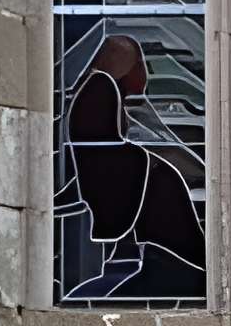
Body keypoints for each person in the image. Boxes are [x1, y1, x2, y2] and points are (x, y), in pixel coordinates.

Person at [58, 34, 208, 300]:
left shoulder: (104, 88)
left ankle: (190, 262)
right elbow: (101, 151)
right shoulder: (101, 88)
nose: (144, 71)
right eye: (139, 63)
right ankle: (188, 264)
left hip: (123, 182)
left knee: (168, 187)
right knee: (166, 190)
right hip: (114, 187)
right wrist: (148, 162)